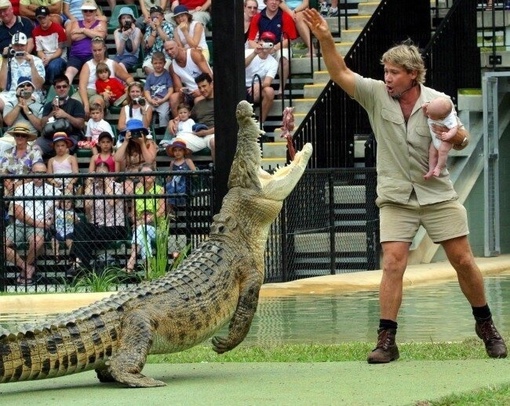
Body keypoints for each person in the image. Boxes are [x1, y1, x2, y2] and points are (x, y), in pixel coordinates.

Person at [303, 8, 508, 363]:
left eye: (394, 73)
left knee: (462, 259)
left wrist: (455, 135)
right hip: (396, 195)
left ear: (412, 75)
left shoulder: (436, 100)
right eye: (385, 71)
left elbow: (461, 138)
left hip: (437, 193)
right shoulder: (374, 94)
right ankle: (386, 340)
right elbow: (339, 72)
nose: (387, 78)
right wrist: (324, 38)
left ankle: (486, 325)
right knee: (393, 263)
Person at [5, 161, 60, 285]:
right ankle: (27, 268)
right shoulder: (22, 188)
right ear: (31, 173)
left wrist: (48, 221)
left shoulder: (54, 191)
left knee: (38, 242)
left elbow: (52, 214)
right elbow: (17, 211)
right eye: (36, 173)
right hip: (19, 225)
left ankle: (25, 271)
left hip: (39, 227)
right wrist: (37, 223)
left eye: (42, 173)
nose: (39, 176)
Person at [67, 162, 128, 275]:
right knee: (80, 226)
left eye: (103, 174)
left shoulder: (117, 186)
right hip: (95, 228)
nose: (100, 177)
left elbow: (111, 202)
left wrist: (106, 182)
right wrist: (89, 184)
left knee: (82, 236)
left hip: (114, 227)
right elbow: (87, 207)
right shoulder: (93, 188)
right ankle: (81, 264)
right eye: (98, 174)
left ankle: (77, 263)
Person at [247, 0, 298, 96]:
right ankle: (252, 88)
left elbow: (289, 39)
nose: (274, 2)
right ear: (265, 2)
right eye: (271, 0)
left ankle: (281, 90)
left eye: (277, 0)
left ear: (280, 3)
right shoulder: (257, 17)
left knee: (284, 56)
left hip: (278, 47)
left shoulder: (285, 16)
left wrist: (274, 48)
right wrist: (260, 48)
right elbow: (251, 40)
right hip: (262, 49)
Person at [76, 36, 134, 116]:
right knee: (74, 103)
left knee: (97, 104)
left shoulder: (112, 63)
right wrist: (86, 104)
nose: (97, 53)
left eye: (99, 50)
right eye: (94, 50)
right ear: (91, 50)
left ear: (104, 49)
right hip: (85, 92)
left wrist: (130, 86)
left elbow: (128, 77)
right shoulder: (87, 65)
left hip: (101, 94)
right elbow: (82, 86)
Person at [125, 163, 166, 272]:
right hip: (140, 227)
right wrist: (137, 221)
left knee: (141, 229)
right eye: (143, 174)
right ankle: (149, 268)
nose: (147, 176)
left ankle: (131, 262)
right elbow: (133, 212)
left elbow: (161, 211)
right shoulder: (136, 191)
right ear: (139, 177)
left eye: (149, 174)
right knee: (144, 236)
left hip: (156, 228)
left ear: (154, 176)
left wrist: (146, 220)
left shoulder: (160, 190)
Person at [167, 72, 215, 159]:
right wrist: (171, 121)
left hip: (212, 134)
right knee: (178, 145)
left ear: (211, 84)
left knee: (214, 142)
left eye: (204, 86)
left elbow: (224, 126)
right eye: (199, 87)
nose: (202, 90)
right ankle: (183, 170)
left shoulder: (220, 102)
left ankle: (217, 171)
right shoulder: (199, 104)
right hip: (198, 136)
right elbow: (184, 117)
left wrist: (206, 132)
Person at [38, 75, 85, 158]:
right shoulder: (49, 105)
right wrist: (52, 112)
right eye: (58, 87)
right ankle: (40, 169)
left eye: (64, 86)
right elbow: (41, 125)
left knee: (63, 150)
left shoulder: (76, 103)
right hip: (50, 137)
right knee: (35, 149)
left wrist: (65, 115)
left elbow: (81, 124)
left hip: (70, 137)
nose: (62, 89)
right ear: (55, 89)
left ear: (69, 87)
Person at [165, 39, 212, 118]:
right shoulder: (172, 67)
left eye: (171, 48)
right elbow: (178, 87)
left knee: (198, 100)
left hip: (205, 87)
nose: (169, 52)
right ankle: (179, 124)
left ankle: (201, 123)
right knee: (173, 98)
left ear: (178, 46)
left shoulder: (193, 54)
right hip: (190, 93)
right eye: (167, 50)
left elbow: (209, 75)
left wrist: (200, 90)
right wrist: (181, 91)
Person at [0, 32, 45, 112]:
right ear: (12, 46)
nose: (19, 48)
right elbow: (2, 86)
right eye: (16, 45)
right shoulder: (6, 61)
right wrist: (5, 60)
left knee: (28, 102)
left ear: (27, 45)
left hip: (30, 93)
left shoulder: (36, 61)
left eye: (22, 45)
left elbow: (38, 86)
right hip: (10, 93)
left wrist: (32, 65)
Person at [64, 0, 107, 83]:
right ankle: (64, 93)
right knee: (69, 73)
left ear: (95, 12)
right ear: (82, 12)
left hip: (93, 55)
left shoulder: (101, 22)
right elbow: (74, 37)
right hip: (76, 55)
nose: (88, 12)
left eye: (91, 10)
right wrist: (93, 32)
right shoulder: (76, 23)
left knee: (93, 74)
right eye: (85, 10)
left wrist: (83, 30)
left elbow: (101, 36)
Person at [1, 77, 43, 153]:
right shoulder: (10, 104)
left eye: (28, 85)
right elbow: (8, 122)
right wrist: (19, 104)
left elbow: (40, 127)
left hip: (30, 138)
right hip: (10, 137)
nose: (25, 87)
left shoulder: (40, 106)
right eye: (22, 86)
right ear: (17, 89)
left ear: (33, 89)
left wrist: (27, 112)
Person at [0, 123, 43, 197]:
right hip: (9, 186)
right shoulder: (8, 152)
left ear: (27, 138)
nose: (20, 137)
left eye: (23, 135)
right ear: (14, 137)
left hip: (28, 186)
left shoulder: (35, 152)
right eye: (17, 135)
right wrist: (9, 184)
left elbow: (38, 172)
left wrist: (18, 184)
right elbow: (2, 171)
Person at [423, 96, 459, 180]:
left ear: (441, 118)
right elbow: (426, 113)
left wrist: (448, 135)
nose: (427, 114)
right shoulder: (433, 110)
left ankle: (439, 167)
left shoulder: (449, 118)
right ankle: (431, 169)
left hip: (445, 141)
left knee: (442, 152)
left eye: (430, 114)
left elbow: (454, 128)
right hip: (435, 139)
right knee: (432, 153)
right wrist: (425, 108)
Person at [245, 35, 277, 125]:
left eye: (269, 42)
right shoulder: (248, 52)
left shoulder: (273, 62)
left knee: (269, 91)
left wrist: (259, 85)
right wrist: (255, 53)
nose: (266, 44)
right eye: (264, 41)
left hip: (255, 89)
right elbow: (240, 67)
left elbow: (267, 82)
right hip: (240, 85)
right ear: (259, 42)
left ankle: (260, 124)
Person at [32, 5, 68, 86]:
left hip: (59, 57)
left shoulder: (58, 29)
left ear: (49, 16)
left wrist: (49, 58)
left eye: (44, 17)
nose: (42, 20)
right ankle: (40, 89)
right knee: (35, 66)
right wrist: (43, 57)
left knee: (53, 66)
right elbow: (39, 51)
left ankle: (51, 88)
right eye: (39, 18)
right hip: (45, 57)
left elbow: (60, 50)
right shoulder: (35, 31)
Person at [143, 51, 173, 129]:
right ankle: (146, 128)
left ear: (164, 63)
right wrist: (150, 100)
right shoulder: (150, 76)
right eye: (155, 63)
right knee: (145, 109)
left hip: (163, 100)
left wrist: (163, 100)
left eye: (160, 63)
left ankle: (163, 130)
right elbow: (146, 90)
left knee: (164, 114)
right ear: (152, 63)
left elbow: (170, 90)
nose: (158, 65)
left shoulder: (167, 75)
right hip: (152, 100)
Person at [165, 138, 196, 212]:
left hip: (185, 183)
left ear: (184, 152)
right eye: (175, 150)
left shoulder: (188, 161)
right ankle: (169, 212)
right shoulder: (172, 162)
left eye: (180, 150)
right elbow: (170, 175)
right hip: (174, 183)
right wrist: (167, 180)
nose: (177, 152)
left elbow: (195, 174)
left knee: (179, 190)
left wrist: (188, 173)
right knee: (169, 189)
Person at [142, 5, 174, 75]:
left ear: (162, 16)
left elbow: (167, 41)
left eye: (157, 15)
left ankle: (158, 81)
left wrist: (158, 27)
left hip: (166, 55)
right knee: (147, 67)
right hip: (152, 55)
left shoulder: (169, 26)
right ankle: (156, 82)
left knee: (165, 68)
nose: (155, 17)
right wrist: (154, 29)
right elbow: (148, 45)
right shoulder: (149, 28)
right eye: (153, 15)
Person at [113, 6, 143, 72]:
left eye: (128, 17)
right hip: (119, 56)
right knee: (111, 65)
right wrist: (123, 37)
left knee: (121, 65)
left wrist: (130, 35)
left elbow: (133, 51)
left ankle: (126, 81)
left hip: (132, 57)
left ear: (132, 20)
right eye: (123, 18)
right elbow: (119, 52)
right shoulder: (116, 32)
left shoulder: (137, 30)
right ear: (120, 20)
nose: (126, 20)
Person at [51, 195, 76, 264]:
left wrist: (74, 219)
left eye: (68, 202)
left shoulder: (72, 212)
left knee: (69, 241)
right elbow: (52, 219)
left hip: (69, 232)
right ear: (60, 203)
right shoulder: (57, 211)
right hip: (59, 232)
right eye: (63, 202)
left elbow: (77, 221)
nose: (66, 204)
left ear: (72, 204)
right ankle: (56, 255)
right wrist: (54, 205)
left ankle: (71, 255)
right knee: (54, 240)